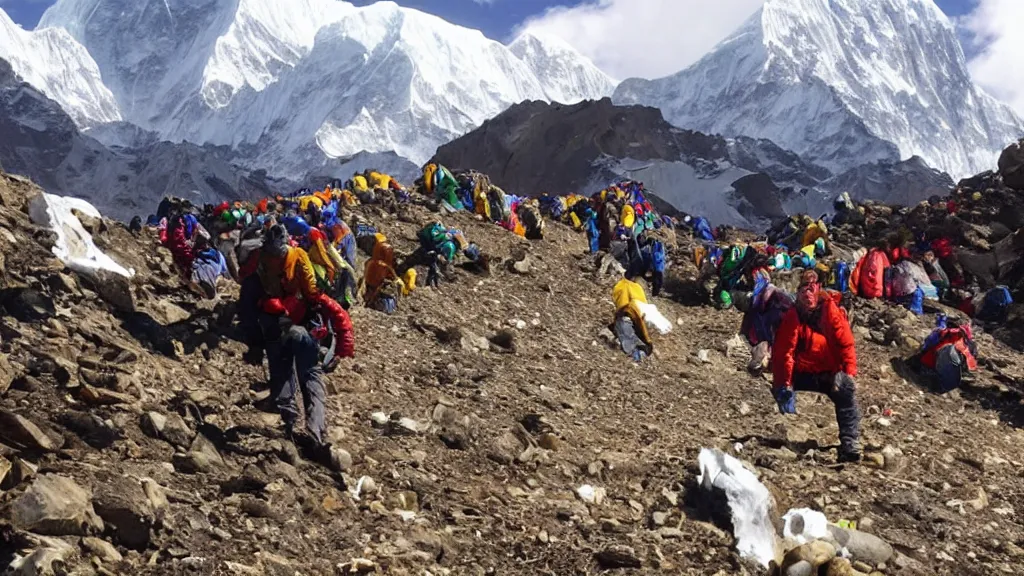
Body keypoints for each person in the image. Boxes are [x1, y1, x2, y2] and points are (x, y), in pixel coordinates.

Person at [241, 225, 354, 463]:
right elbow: (323, 300)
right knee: (312, 378)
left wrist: (253, 344)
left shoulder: (259, 262)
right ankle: (315, 432)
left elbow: (248, 305)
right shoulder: (298, 256)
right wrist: (342, 350)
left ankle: (289, 424)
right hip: (304, 329)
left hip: (274, 328)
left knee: (280, 372)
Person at [771, 270, 862, 462]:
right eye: (804, 288)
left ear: (819, 288)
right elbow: (784, 353)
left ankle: (850, 443)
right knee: (782, 389)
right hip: (802, 372)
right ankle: (786, 427)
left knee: (846, 391)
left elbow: (846, 343)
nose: (808, 293)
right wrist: (784, 383)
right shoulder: (793, 315)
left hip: (829, 373)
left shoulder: (831, 311)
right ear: (798, 292)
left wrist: (849, 373)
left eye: (812, 287)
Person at [914, 315, 977, 393]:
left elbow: (926, 346)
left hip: (935, 365)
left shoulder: (945, 334)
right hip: (933, 365)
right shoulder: (946, 335)